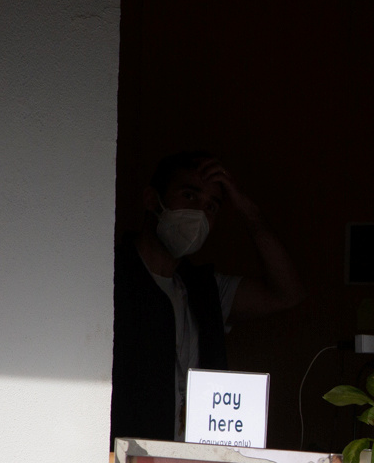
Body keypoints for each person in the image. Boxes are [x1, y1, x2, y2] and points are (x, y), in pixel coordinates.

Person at [111, 150, 304, 443]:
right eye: (189, 196)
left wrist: (248, 211)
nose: (200, 213)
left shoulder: (204, 290)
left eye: (212, 207)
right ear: (152, 199)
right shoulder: (111, 277)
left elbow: (287, 293)